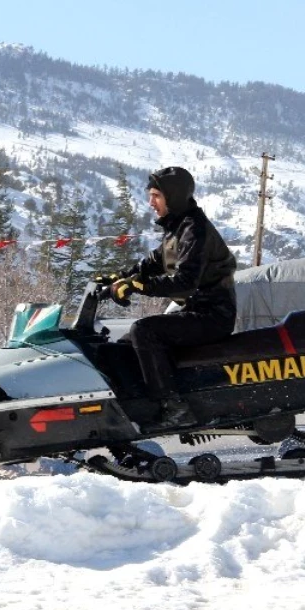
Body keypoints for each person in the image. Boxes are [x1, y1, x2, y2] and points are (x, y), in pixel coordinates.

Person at [97, 166, 237, 429]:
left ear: (173, 196)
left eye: (156, 196)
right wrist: (118, 277)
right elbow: (151, 263)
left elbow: (185, 283)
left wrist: (138, 285)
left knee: (144, 331)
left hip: (213, 315)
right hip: (196, 311)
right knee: (125, 345)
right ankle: (137, 407)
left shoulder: (195, 230)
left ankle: (175, 407)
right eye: (150, 196)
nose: (151, 203)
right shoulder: (177, 228)